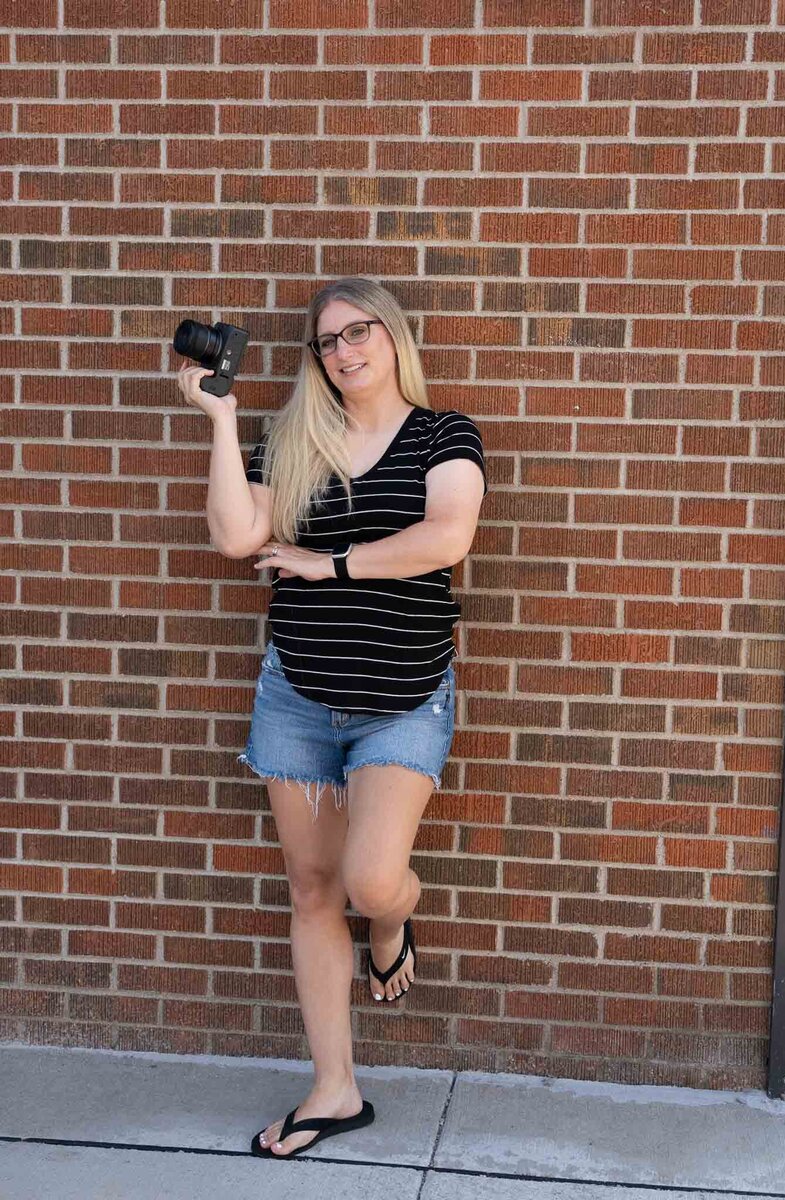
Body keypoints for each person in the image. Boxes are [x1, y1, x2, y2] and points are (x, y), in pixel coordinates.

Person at [176, 277, 487, 1161]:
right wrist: (222, 421)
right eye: (328, 342)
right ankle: (334, 1089)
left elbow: (446, 537)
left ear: (393, 337)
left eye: (360, 333)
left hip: (401, 702)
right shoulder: (297, 435)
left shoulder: (443, 432)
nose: (345, 352)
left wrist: (328, 565)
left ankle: (392, 926)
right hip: (298, 696)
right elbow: (238, 536)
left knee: (372, 882)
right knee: (313, 891)